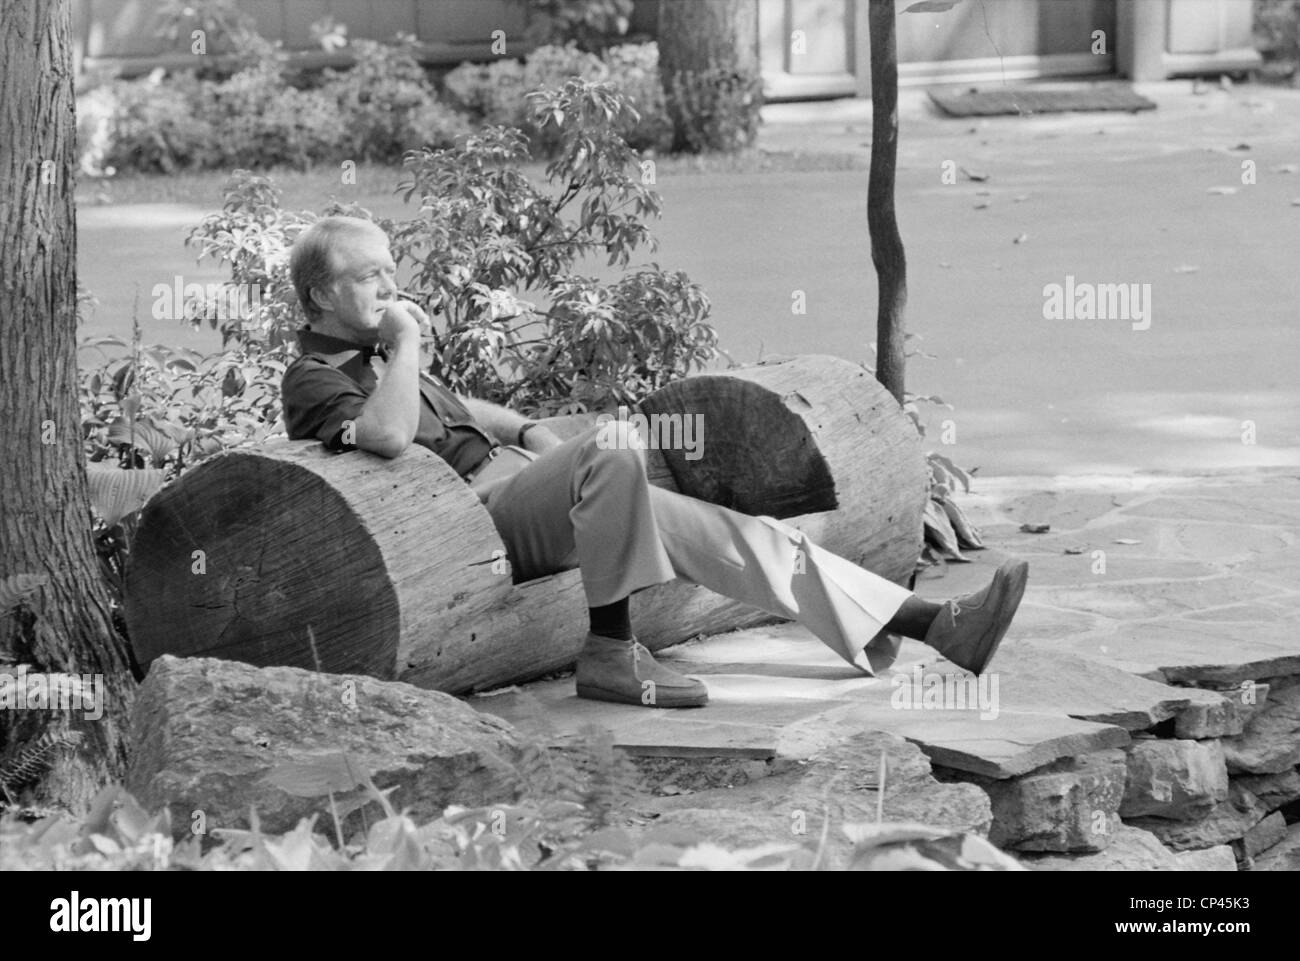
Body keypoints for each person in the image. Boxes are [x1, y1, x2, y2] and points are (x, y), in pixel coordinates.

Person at [280, 216, 1029, 708]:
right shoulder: (319, 377)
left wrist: (534, 429)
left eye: (390, 268)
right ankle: (609, 650)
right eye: (369, 276)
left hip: (527, 496)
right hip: (472, 534)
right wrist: (408, 343)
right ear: (320, 295)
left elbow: (470, 414)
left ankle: (933, 624)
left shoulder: (381, 356)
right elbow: (384, 436)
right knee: (613, 447)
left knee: (738, 535)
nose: (391, 285)